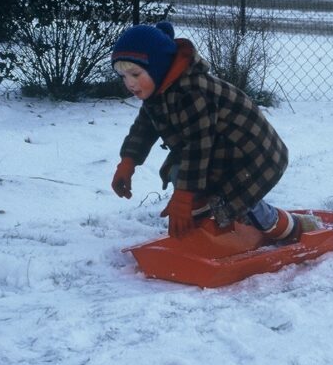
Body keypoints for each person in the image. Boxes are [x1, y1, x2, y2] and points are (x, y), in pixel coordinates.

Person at [109, 21, 321, 242]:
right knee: (183, 177)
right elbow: (144, 128)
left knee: (240, 199)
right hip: (219, 150)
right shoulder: (159, 92)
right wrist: (128, 162)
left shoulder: (193, 91)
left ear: (158, 67)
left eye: (135, 74)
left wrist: (183, 197)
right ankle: (207, 229)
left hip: (251, 155)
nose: (130, 83)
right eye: (123, 77)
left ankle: (288, 227)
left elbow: (198, 147)